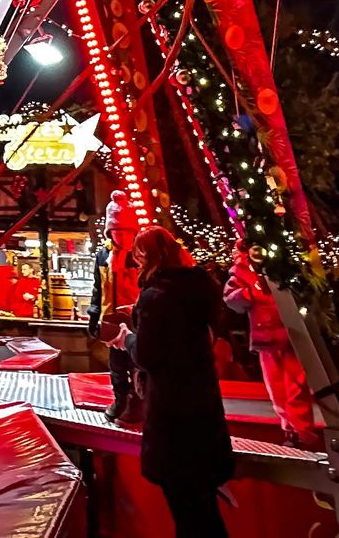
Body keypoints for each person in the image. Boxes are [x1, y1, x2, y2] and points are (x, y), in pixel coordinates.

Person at [129, 226, 232, 537]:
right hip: (203, 410)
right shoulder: (197, 291)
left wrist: (127, 339)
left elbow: (148, 354)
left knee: (187, 513)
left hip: (172, 418)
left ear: (145, 256)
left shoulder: (155, 296)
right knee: (204, 513)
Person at [223, 242, 315, 446]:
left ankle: (303, 431)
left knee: (296, 387)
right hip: (266, 337)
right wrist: (250, 293)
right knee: (277, 388)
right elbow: (231, 299)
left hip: (291, 334)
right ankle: (290, 428)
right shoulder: (241, 271)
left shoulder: (283, 265)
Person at [86, 190, 142, 422]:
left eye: (125, 232)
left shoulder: (140, 254)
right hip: (112, 318)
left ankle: (137, 401)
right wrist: (94, 315)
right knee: (116, 365)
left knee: (137, 363)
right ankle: (120, 399)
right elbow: (99, 288)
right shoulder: (104, 255)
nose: (121, 237)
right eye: (116, 232)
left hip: (136, 318)